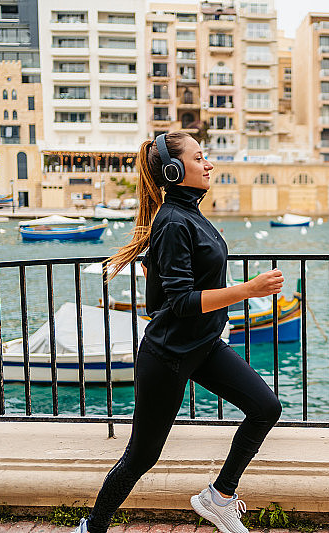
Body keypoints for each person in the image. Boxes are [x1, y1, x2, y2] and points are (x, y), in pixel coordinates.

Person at [73, 131, 284, 533]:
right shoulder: (172, 220)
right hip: (167, 355)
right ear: (174, 170)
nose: (209, 164)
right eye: (200, 157)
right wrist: (248, 290)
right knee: (142, 455)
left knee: (265, 408)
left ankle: (219, 498)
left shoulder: (186, 214)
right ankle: (92, 527)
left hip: (203, 346)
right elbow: (180, 302)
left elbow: (160, 280)